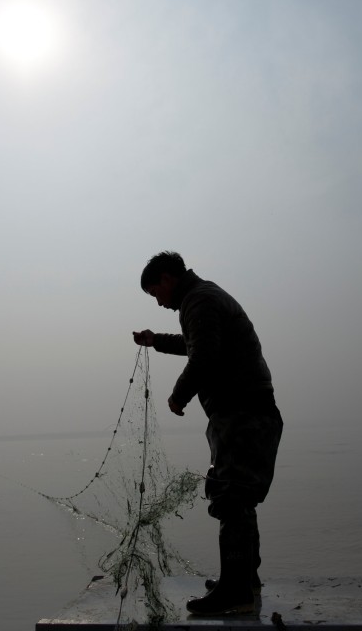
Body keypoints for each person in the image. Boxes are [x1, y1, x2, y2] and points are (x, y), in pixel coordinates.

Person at [132, 251, 283, 616]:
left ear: (168, 279)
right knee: (238, 495)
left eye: (156, 292)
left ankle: (236, 592)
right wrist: (155, 340)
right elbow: (195, 344)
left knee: (231, 496)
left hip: (242, 412)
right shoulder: (203, 298)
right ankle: (243, 580)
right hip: (243, 411)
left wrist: (178, 394)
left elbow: (204, 357)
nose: (159, 301)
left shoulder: (198, 300)